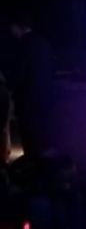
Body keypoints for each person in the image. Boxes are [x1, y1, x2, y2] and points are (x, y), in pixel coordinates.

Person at [9, 12, 55, 160]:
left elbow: (19, 74)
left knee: (29, 139)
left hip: (27, 101)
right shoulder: (44, 44)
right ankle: (44, 170)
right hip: (45, 98)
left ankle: (32, 171)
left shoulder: (21, 46)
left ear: (16, 27)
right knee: (42, 138)